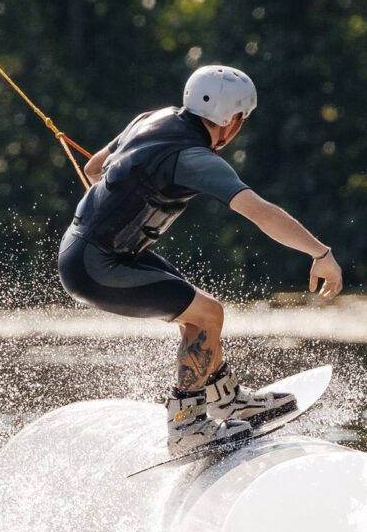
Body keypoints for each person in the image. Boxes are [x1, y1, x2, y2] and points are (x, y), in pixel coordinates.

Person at [58, 64, 344, 455]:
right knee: (209, 314)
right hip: (96, 266)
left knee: (199, 312)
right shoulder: (195, 159)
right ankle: (187, 425)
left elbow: (94, 169)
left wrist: (121, 197)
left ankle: (226, 399)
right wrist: (320, 253)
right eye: (242, 119)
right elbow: (261, 212)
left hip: (97, 251)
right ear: (232, 120)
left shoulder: (150, 118)